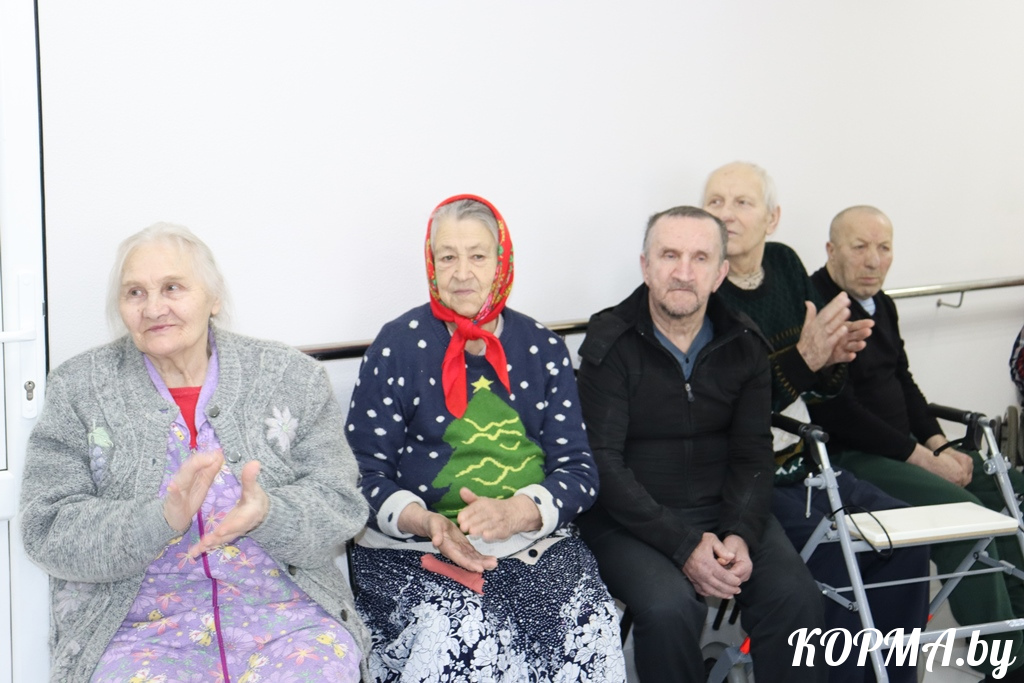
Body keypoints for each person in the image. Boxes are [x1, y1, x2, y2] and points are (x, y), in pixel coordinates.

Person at [20, 223, 369, 683]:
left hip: (286, 620)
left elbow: (341, 505)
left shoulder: (291, 377)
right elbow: (46, 528)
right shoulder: (79, 389)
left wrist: (269, 512)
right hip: (135, 634)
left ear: (214, 297)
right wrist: (159, 518)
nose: (153, 308)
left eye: (172, 287)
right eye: (135, 293)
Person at [345, 194, 625, 682]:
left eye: (477, 256)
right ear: (431, 264)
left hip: (530, 540)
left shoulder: (542, 348)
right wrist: (427, 522)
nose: (462, 273)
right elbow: (359, 474)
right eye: (447, 257)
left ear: (502, 262)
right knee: (461, 629)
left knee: (585, 614)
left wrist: (518, 510)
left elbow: (579, 471)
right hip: (414, 549)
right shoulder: (397, 346)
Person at [576, 205, 826, 683]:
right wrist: (684, 544)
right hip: (628, 521)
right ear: (646, 266)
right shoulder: (610, 341)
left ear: (720, 273)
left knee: (796, 600)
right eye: (670, 255)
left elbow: (753, 454)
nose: (684, 273)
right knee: (669, 608)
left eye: (700, 258)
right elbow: (601, 462)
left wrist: (740, 534)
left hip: (723, 510)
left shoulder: (745, 344)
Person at [703, 162, 931, 683]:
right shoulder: (700, 288)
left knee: (906, 538)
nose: (726, 215)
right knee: (835, 555)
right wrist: (805, 361)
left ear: (772, 218)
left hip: (807, 465)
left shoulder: (784, 264)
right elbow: (730, 404)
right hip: (746, 477)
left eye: (742, 203)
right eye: (715, 202)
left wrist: (830, 363)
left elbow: (817, 386)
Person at [807, 205, 1024, 682]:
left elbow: (903, 383)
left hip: (905, 447)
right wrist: (923, 458)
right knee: (964, 518)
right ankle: (1006, 659)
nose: (873, 260)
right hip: (853, 456)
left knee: (1009, 485)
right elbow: (837, 413)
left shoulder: (881, 303)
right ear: (830, 250)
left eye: (884, 248)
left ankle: (1019, 631)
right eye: (859, 247)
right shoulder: (816, 308)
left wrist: (940, 445)